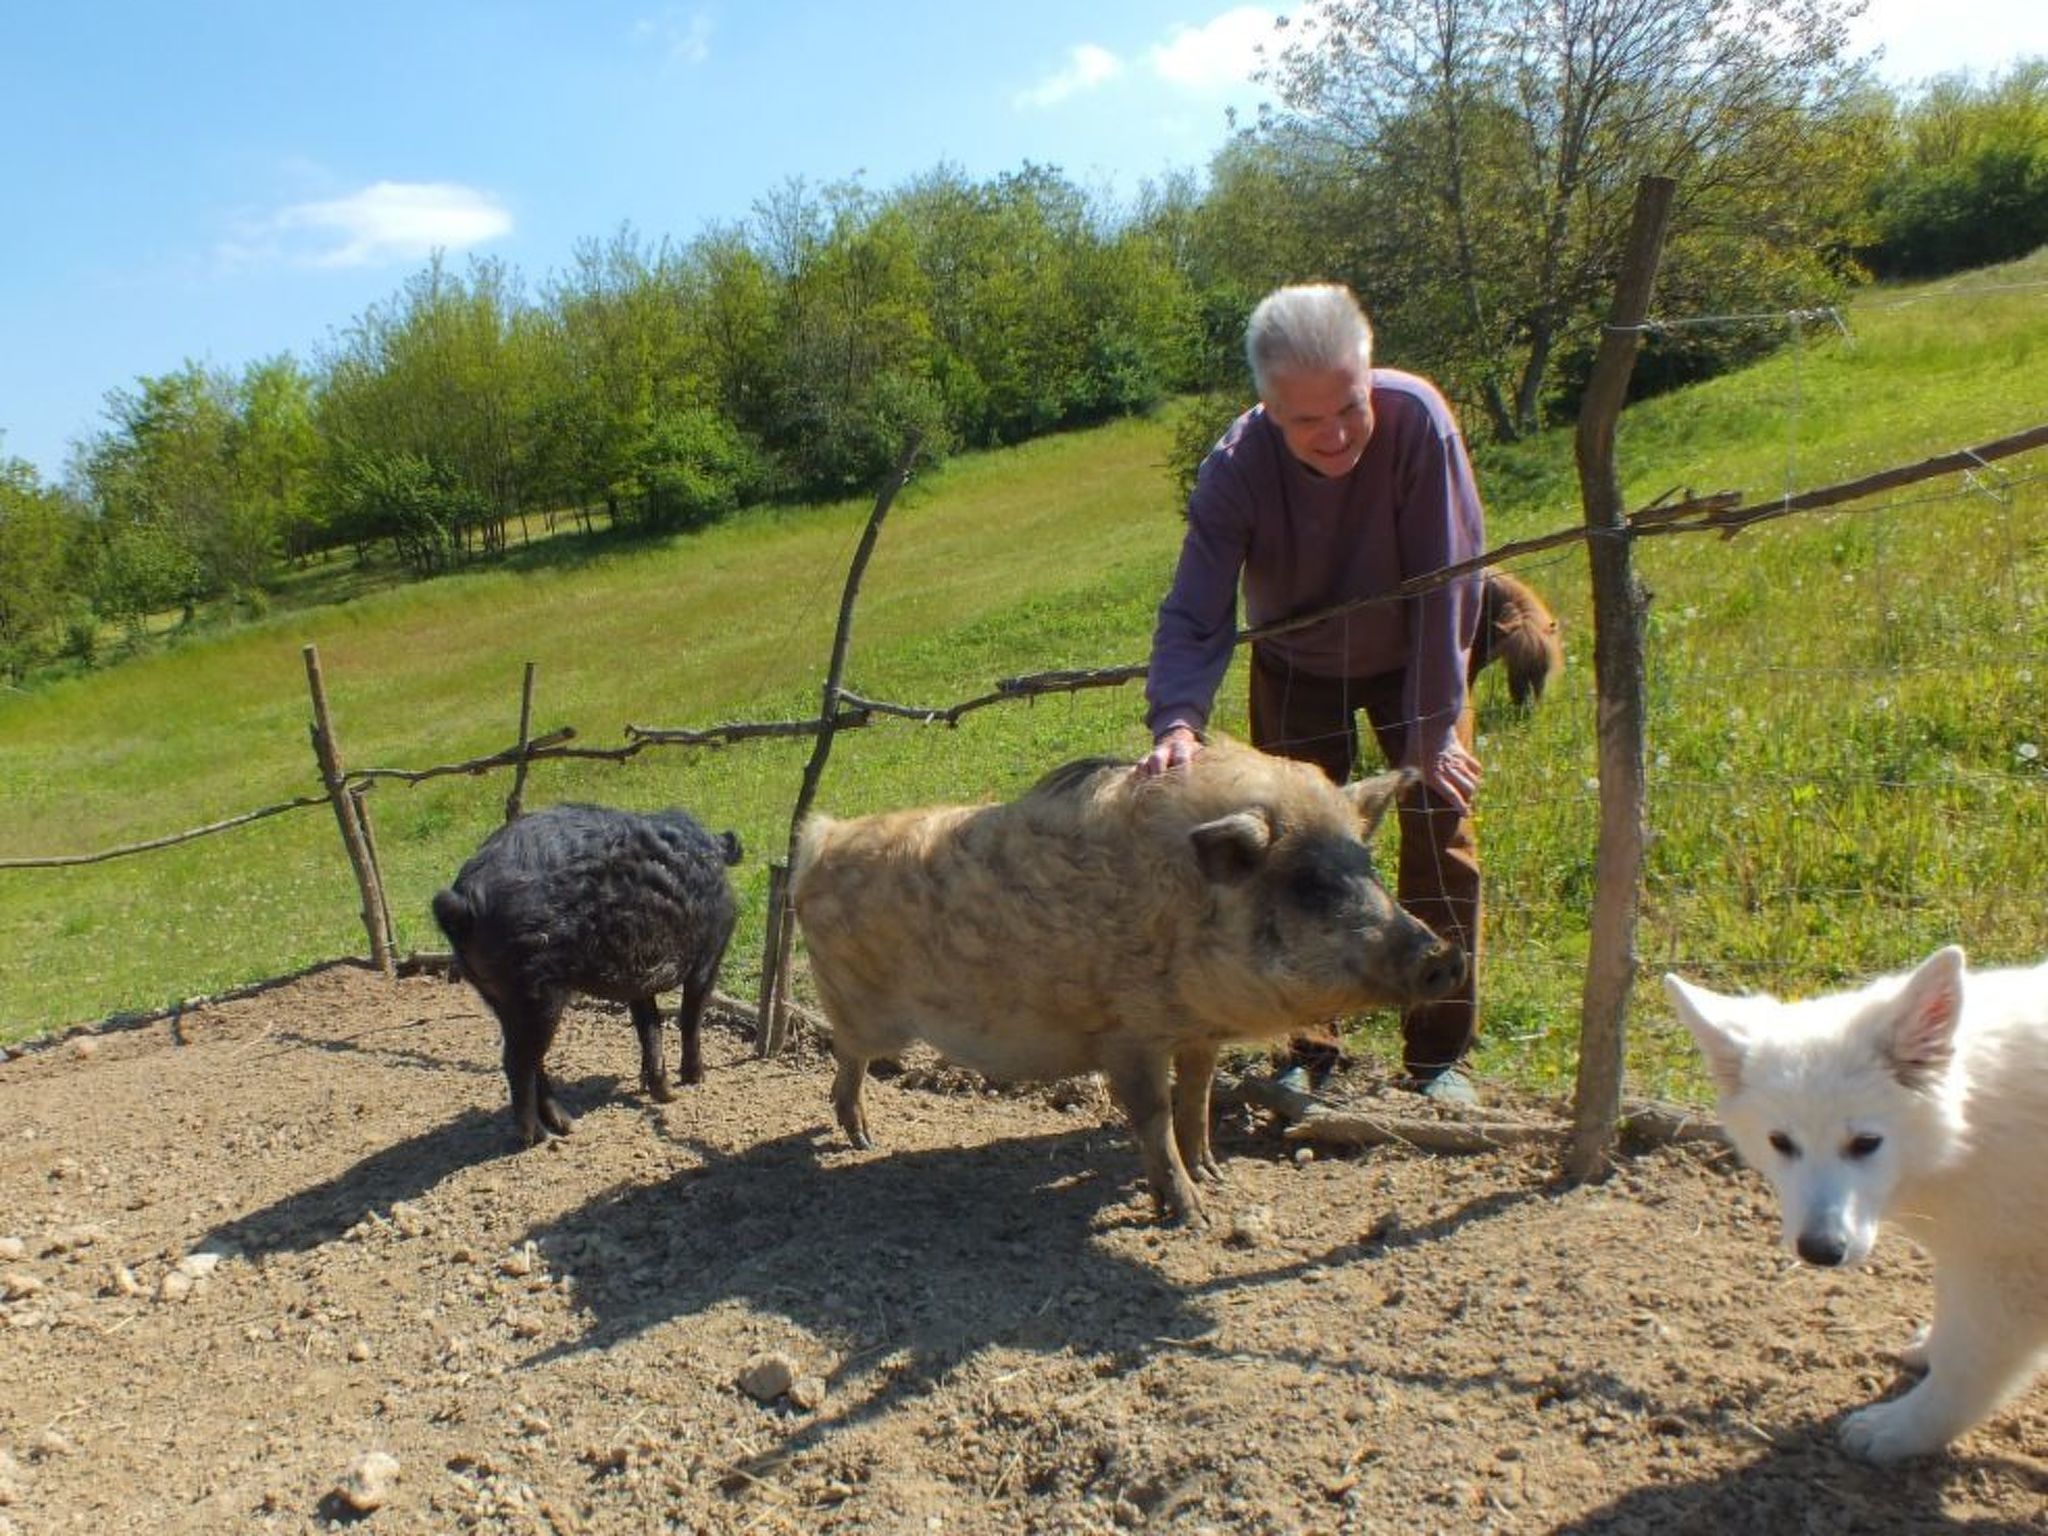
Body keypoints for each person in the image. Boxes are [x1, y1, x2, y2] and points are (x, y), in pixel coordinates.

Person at [1138, 282, 1487, 1104]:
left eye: (1350, 408)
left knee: (1442, 829)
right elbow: (1196, 608)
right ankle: (1304, 1049)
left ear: (1368, 377)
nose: (1335, 435)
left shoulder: (1420, 423)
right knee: (1295, 858)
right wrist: (1178, 719)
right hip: (1297, 663)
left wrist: (1435, 727)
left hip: (1415, 658)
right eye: (1306, 421)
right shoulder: (1235, 468)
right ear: (1267, 408)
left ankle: (1439, 1055)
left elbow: (1451, 583)